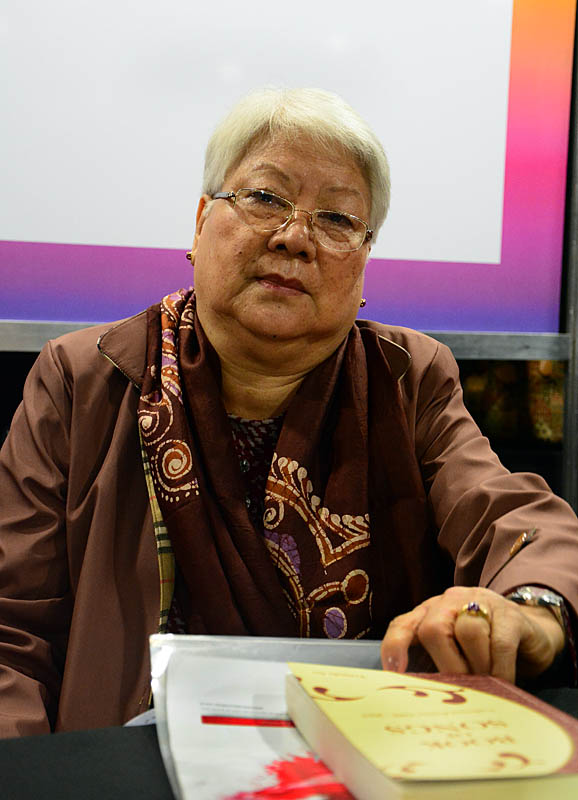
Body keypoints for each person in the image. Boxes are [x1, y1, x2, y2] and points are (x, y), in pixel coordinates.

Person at [0, 88, 577, 739]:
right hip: (124, 763)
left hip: (357, 753)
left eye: (336, 219)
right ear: (200, 221)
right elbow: (11, 631)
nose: (295, 238)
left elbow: (506, 512)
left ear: (364, 260)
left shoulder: (407, 377)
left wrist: (532, 607)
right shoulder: (84, 376)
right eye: (265, 198)